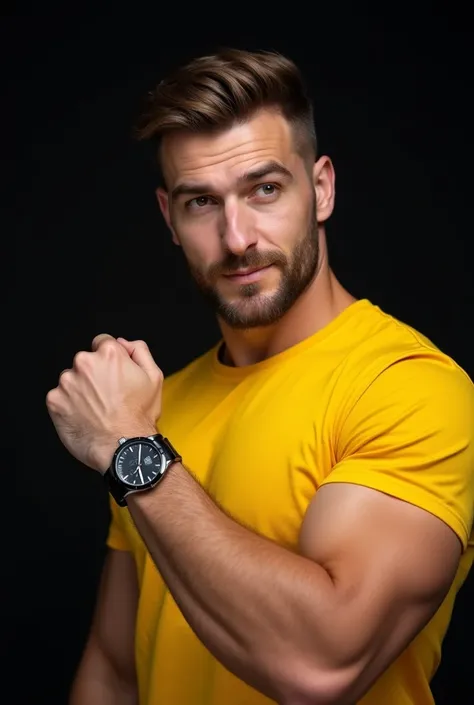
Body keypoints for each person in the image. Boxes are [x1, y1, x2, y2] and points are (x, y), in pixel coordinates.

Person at [46, 48, 474, 705]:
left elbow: (321, 665)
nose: (237, 235)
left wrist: (132, 450)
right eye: (200, 203)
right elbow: (114, 668)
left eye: (264, 189)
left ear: (322, 188)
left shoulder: (411, 387)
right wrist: (137, 436)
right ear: (169, 218)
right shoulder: (159, 407)